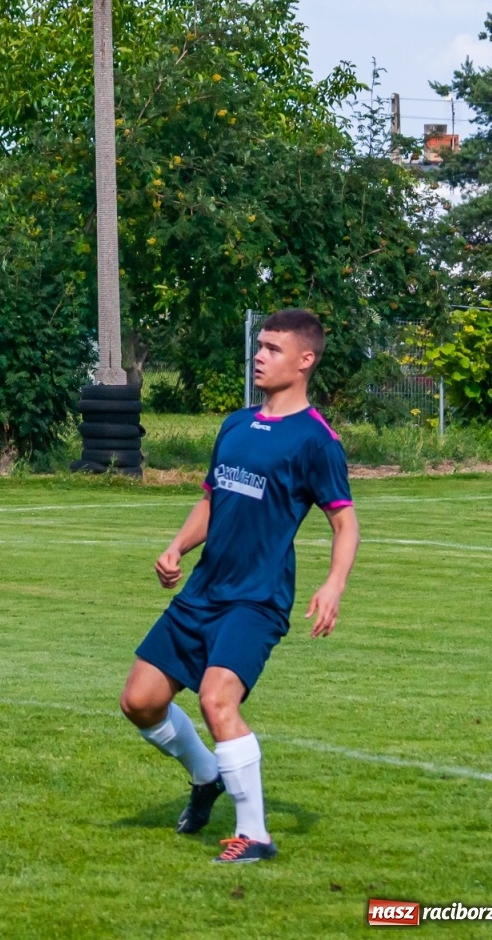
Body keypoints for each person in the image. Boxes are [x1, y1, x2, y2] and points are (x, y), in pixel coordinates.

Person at [118, 308, 359, 864]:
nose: (259, 355)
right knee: (139, 702)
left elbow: (345, 522)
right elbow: (211, 498)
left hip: (257, 598)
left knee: (216, 698)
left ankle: (256, 835)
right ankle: (207, 775)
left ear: (304, 361)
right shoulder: (235, 424)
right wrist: (178, 546)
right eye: (260, 345)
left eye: (273, 348)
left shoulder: (316, 440)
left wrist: (333, 585)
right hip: (204, 591)